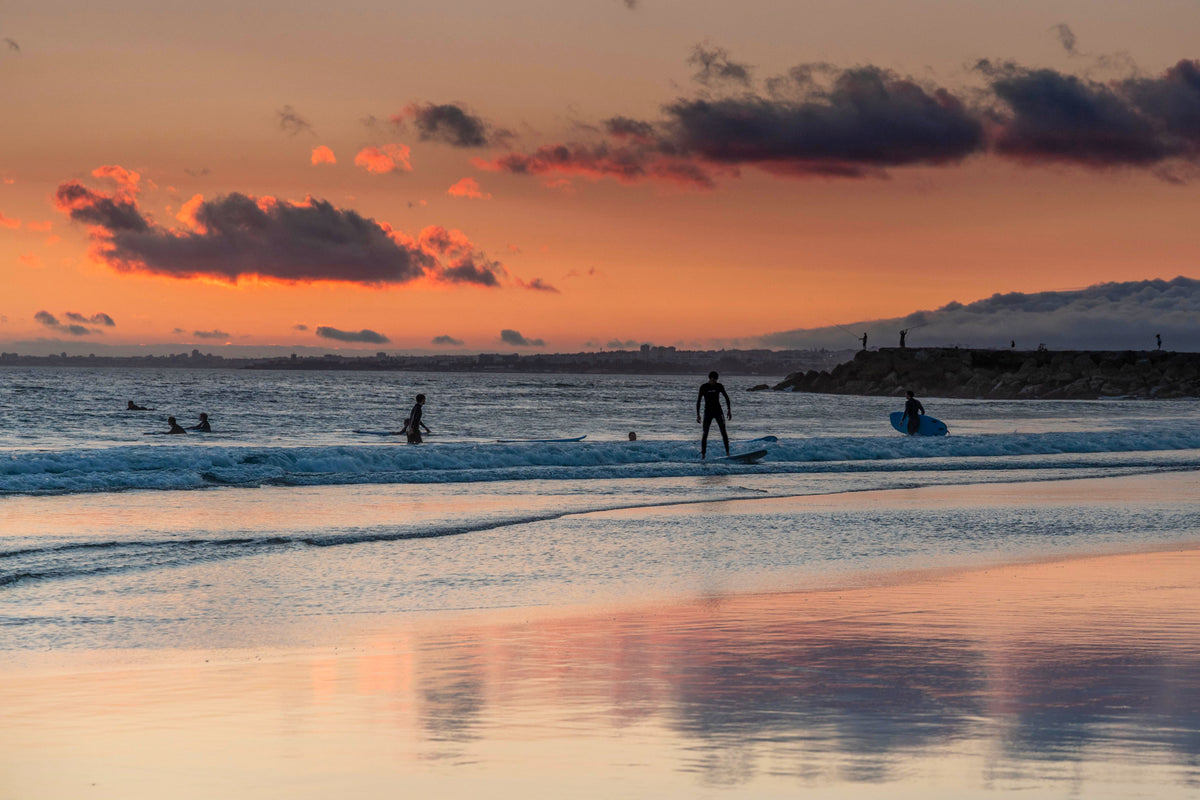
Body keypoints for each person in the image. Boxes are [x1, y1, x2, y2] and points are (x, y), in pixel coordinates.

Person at [696, 371, 731, 459]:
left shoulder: (719, 386)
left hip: (718, 411)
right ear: (710, 378)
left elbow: (726, 397)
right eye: (713, 379)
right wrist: (698, 414)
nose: (714, 381)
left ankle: (727, 453)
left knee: (723, 432)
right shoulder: (704, 387)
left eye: (716, 380)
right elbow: (699, 400)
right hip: (708, 412)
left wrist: (729, 410)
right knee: (705, 433)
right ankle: (703, 455)